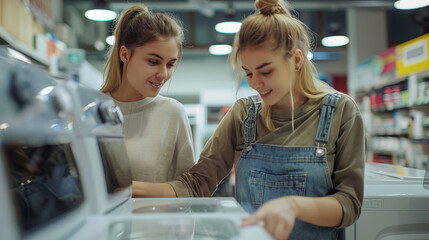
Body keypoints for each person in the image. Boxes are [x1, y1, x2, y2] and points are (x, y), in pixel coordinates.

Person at [132, 0, 365, 239]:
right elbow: (196, 183)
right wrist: (126, 190)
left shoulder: (341, 112)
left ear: (296, 60)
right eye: (248, 73)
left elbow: (349, 203)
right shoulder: (244, 114)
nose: (255, 83)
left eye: (266, 71)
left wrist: (293, 206)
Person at [100, 5, 195, 183]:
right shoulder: (90, 110)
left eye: (170, 64)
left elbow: (187, 191)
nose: (163, 74)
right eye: (153, 61)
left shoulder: (172, 113)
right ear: (125, 55)